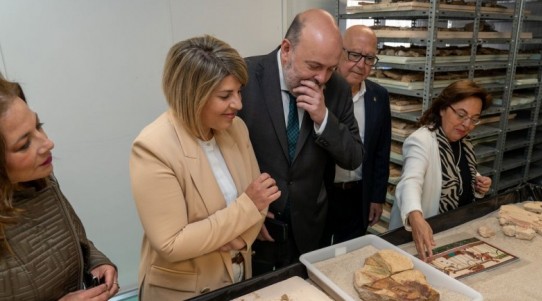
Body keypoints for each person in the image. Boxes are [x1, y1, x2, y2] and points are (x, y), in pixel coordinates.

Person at [129, 35, 280, 300]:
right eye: (225, 95)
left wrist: (242, 238)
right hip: (185, 291)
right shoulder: (153, 147)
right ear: (192, 96)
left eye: (239, 92)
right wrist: (244, 210)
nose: (238, 104)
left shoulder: (236, 129)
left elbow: (262, 198)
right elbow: (172, 244)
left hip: (236, 278)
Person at [238, 9, 364, 275]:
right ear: (286, 50)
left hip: (311, 227)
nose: (322, 78)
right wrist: (244, 213)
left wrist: (323, 119)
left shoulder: (337, 88)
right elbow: (219, 154)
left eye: (330, 68)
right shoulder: (244, 77)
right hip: (256, 229)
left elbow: (353, 156)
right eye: (314, 66)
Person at [0, 75, 119, 300]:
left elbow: (76, 240)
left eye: (38, 126)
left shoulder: (42, 179)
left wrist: (95, 262)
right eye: (24, 144)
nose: (47, 143)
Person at [388, 79, 493, 260]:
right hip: (424, 236)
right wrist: (415, 216)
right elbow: (411, 181)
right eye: (461, 115)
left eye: (474, 119)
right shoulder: (421, 141)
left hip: (453, 232)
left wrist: (477, 182)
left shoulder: (464, 143)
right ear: (443, 108)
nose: (467, 124)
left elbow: (456, 173)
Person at [322, 25, 391, 245]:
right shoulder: (320, 92)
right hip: (323, 193)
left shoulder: (378, 97)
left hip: (358, 195)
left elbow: (381, 150)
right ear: (339, 52)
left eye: (369, 58)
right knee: (317, 252)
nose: (361, 65)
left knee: (350, 253)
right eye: (354, 55)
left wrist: (377, 197)